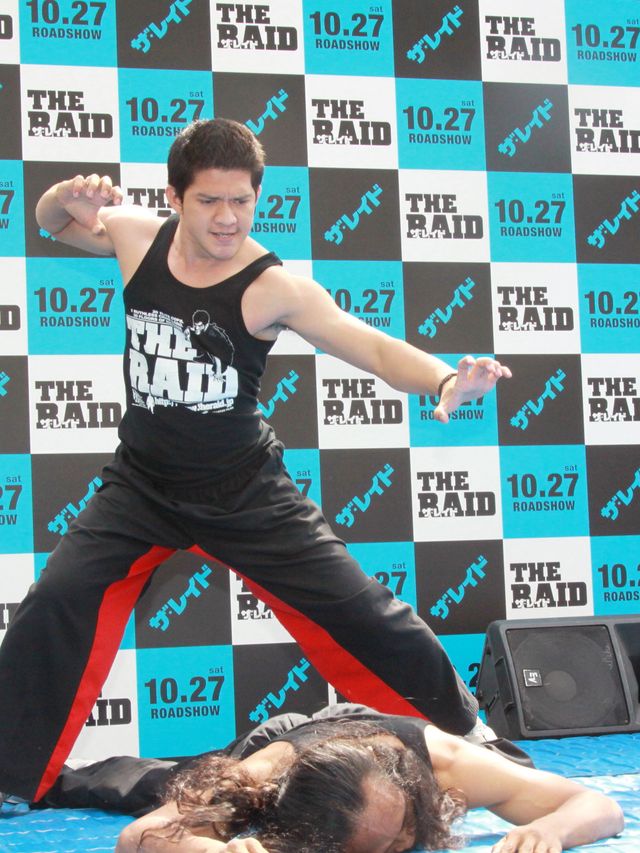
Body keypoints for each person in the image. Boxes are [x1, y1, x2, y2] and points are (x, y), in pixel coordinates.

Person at [0, 118, 512, 804]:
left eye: (241, 200)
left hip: (242, 489)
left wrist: (445, 379)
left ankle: (467, 736)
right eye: (209, 200)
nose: (227, 218)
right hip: (141, 484)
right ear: (174, 198)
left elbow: (369, 345)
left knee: (362, 610)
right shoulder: (135, 236)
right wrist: (63, 196)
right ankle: (8, 775)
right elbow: (53, 223)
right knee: (55, 601)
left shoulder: (272, 287)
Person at [35, 704, 623, 853]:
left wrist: (550, 831)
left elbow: (600, 806)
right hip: (286, 740)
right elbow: (137, 839)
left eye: (402, 834)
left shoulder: (446, 764)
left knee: (521, 777)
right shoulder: (265, 777)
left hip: (374, 733)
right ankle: (58, 778)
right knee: (166, 787)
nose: (401, 845)